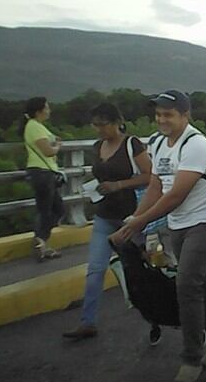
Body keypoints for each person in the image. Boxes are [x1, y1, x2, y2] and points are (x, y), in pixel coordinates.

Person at [110, 90, 206, 382]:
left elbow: (176, 194)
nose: (162, 119)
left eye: (169, 114)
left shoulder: (196, 145)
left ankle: (191, 357)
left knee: (187, 283)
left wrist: (140, 221)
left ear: (185, 116)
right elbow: (155, 187)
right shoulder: (158, 143)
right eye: (159, 114)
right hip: (179, 224)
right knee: (200, 283)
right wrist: (133, 221)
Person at [63, 103, 151, 340]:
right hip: (104, 215)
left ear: (116, 122)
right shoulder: (97, 146)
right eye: (96, 125)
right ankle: (87, 321)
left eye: (103, 125)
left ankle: (155, 315)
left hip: (130, 217)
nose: (99, 129)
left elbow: (150, 176)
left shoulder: (132, 144)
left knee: (137, 271)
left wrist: (119, 185)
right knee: (95, 269)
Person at [22, 97, 64, 262]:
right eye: (47, 108)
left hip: (45, 173)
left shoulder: (37, 126)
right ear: (39, 111)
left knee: (57, 209)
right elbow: (48, 151)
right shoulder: (34, 127)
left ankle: (41, 242)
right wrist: (58, 146)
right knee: (46, 210)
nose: (49, 110)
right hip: (42, 173)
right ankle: (40, 241)